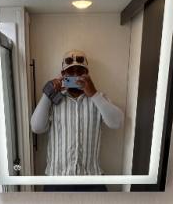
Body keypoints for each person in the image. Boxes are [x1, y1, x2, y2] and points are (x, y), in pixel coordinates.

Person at [30, 49, 124, 190]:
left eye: (80, 72)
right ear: (63, 75)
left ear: (87, 74)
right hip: (56, 180)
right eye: (70, 72)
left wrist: (93, 94)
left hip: (92, 179)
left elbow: (117, 123)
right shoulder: (52, 100)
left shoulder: (99, 99)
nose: (75, 76)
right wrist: (47, 94)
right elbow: (36, 127)